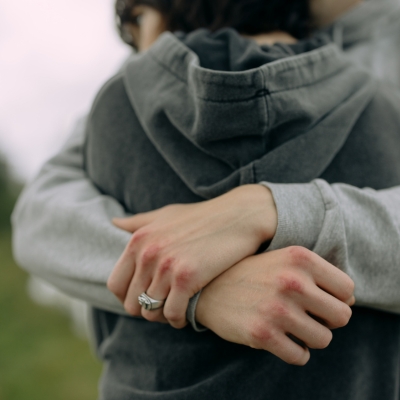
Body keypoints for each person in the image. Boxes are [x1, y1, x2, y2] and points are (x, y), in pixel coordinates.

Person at [12, 0, 400, 399]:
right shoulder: (377, 100)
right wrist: (193, 288)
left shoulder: (120, 101)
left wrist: (267, 209)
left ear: (156, 12)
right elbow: (40, 216)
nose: (140, 51)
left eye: (136, 29)